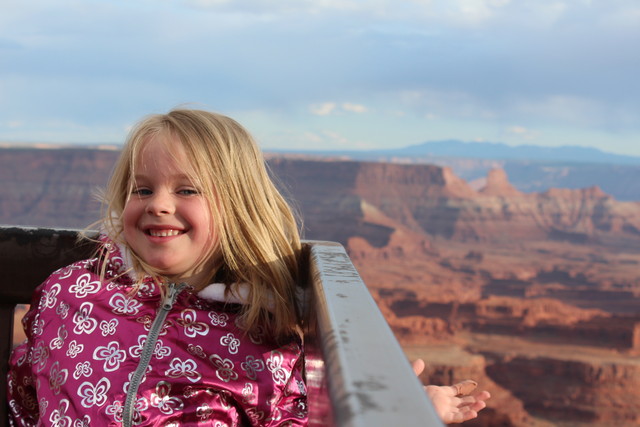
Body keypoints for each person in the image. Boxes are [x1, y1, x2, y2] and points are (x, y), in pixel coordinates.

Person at [7, 109, 489, 426]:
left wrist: (400, 412)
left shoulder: (262, 336)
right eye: (142, 189)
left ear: (237, 207)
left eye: (187, 190)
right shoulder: (70, 293)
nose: (159, 205)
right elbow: (27, 384)